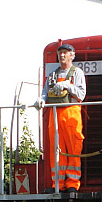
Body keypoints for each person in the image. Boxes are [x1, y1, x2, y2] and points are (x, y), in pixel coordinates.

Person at [36, 43, 87, 193]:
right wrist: (41, 100)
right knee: (55, 150)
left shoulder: (77, 73)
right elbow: (45, 92)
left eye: (65, 52)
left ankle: (72, 183)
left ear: (72, 55)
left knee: (73, 149)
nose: (62, 55)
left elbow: (81, 95)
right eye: (60, 53)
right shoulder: (53, 75)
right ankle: (57, 184)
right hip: (55, 115)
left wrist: (67, 85)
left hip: (72, 115)